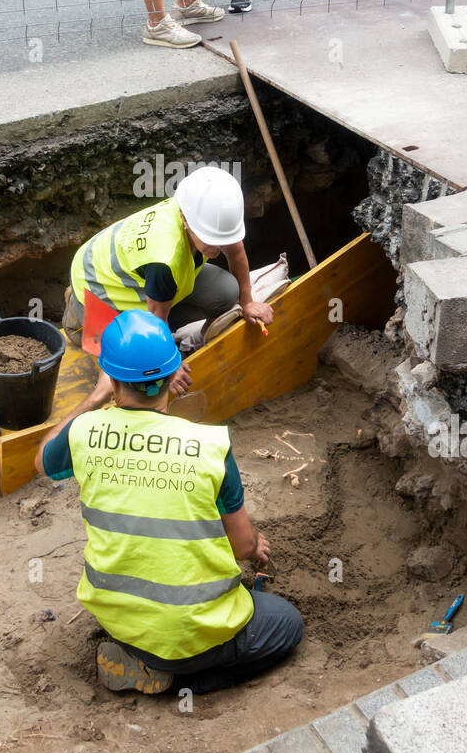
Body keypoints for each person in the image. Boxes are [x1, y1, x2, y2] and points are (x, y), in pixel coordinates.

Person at [35, 311, 304, 695]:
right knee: (287, 623)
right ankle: (179, 679)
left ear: (111, 379)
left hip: (119, 619)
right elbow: (243, 548)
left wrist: (94, 399)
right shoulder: (210, 445)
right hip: (189, 636)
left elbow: (43, 460)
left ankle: (140, 658)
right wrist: (255, 542)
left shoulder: (84, 432)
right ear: (171, 375)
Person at [62, 165, 275, 396]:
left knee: (226, 292)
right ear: (185, 220)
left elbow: (235, 250)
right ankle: (77, 314)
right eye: (210, 241)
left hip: (150, 279)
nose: (217, 248)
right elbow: (156, 319)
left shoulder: (207, 215)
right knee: (134, 365)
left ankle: (161, 311)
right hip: (98, 284)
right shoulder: (164, 258)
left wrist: (247, 302)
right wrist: (170, 366)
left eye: (222, 240)